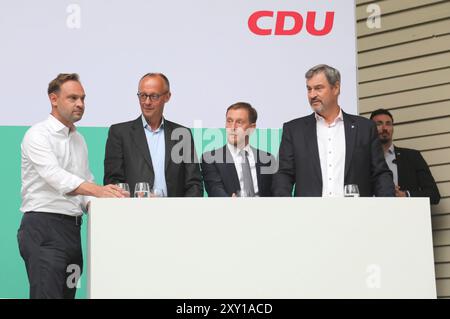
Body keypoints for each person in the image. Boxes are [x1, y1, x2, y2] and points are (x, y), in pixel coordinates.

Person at [18, 73, 127, 299]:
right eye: (73, 98)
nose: (80, 104)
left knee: (68, 296)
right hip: (44, 228)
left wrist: (110, 205)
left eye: (83, 98)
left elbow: (85, 183)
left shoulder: (79, 139)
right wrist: (99, 190)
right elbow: (56, 177)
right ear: (53, 99)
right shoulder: (37, 135)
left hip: (72, 232)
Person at [272, 64, 395, 197]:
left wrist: (387, 208)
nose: (312, 95)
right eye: (309, 89)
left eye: (318, 88)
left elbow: (380, 174)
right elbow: (283, 176)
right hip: (308, 215)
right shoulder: (294, 130)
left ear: (336, 88)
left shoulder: (365, 128)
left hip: (355, 214)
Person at [104, 73, 203, 197]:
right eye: (143, 95)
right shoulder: (119, 133)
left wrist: (182, 212)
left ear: (167, 97)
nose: (147, 102)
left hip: (175, 214)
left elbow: (194, 184)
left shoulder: (182, 134)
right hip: (133, 213)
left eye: (154, 96)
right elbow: (113, 183)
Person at [201, 102, 277, 197]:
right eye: (229, 121)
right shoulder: (211, 159)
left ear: (252, 128)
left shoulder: (267, 159)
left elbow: (275, 192)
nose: (233, 127)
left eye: (239, 122)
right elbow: (214, 189)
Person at [370, 108, 441, 204]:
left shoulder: (412, 157)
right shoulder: (362, 160)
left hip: (407, 216)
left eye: (388, 124)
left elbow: (434, 195)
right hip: (374, 215)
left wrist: (406, 195)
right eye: (379, 124)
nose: (385, 128)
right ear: (370, 128)